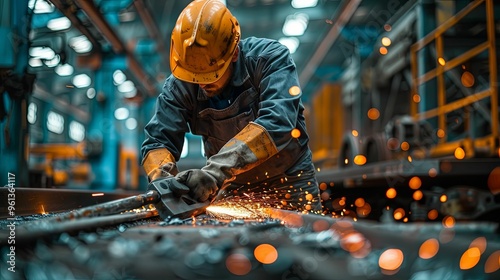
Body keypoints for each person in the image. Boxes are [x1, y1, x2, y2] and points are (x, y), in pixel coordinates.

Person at [141, 0, 321, 214]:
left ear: (234, 53)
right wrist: (163, 178)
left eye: (210, 76)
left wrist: (216, 171)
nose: (201, 83)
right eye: (194, 76)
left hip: (290, 179)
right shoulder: (179, 85)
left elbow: (277, 123)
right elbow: (158, 141)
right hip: (233, 186)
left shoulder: (269, 59)